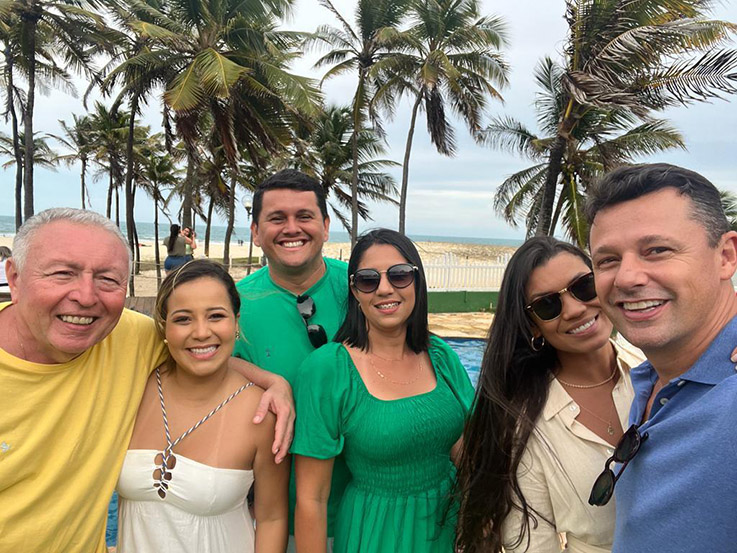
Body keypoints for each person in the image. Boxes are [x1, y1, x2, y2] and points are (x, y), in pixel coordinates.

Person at [0, 208, 294, 553]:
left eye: (107, 279)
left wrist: (276, 383)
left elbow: (201, 352)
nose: (85, 296)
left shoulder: (124, 338)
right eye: (63, 273)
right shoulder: (140, 368)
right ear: (14, 278)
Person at [456, 236, 644, 553]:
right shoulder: (526, 427)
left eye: (583, 286)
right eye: (547, 305)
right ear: (533, 327)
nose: (574, 309)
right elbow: (534, 545)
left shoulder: (658, 369)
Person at [292, 228, 475, 553]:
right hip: (377, 533)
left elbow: (467, 451)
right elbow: (311, 499)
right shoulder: (329, 370)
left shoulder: (440, 355)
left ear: (417, 281)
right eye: (368, 280)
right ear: (355, 291)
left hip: (448, 528)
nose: (385, 288)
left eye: (400, 275)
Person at [585, 163, 737, 552]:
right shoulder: (651, 379)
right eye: (607, 260)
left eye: (657, 250)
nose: (627, 278)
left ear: (726, 256)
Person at [117, 259, 288, 552]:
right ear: (164, 327)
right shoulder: (133, 388)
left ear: (236, 322)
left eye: (216, 316)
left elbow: (272, 517)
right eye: (183, 319)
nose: (200, 332)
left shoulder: (262, 414)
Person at [233, 169, 350, 551]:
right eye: (276, 218)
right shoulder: (231, 306)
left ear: (326, 226)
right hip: (269, 521)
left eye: (304, 216)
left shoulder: (363, 288)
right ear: (255, 231)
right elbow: (197, 364)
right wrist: (269, 379)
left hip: (364, 513)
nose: (291, 228)